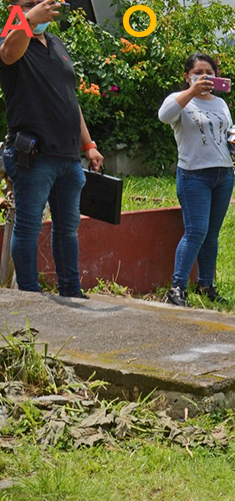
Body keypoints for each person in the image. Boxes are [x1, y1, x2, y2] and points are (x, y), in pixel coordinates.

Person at [0, 0, 104, 299]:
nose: (39, 7)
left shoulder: (57, 43)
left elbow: (69, 98)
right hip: (33, 155)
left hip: (68, 156)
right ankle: (29, 294)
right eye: (30, 3)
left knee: (68, 228)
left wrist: (89, 144)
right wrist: (28, 22)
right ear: (14, 8)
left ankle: (70, 289)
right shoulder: (10, 38)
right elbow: (8, 54)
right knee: (29, 227)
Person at [158, 53, 235, 307]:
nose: (205, 77)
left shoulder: (220, 103)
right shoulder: (178, 101)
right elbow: (165, 116)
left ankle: (206, 284)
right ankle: (177, 287)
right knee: (196, 230)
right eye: (198, 73)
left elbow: (224, 138)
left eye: (210, 72)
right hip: (194, 174)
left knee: (212, 234)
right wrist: (192, 91)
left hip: (223, 173)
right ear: (187, 76)